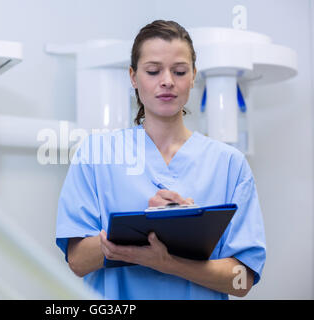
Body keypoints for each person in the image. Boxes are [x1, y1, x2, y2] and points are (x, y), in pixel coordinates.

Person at [55, 20, 266, 299]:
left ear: (193, 77)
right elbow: (77, 262)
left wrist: (170, 263)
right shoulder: (96, 155)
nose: (167, 80)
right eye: (153, 71)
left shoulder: (229, 164)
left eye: (179, 71)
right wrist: (143, 229)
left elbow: (242, 281)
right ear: (133, 77)